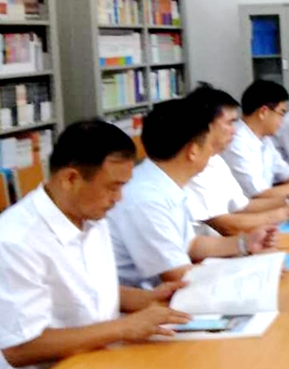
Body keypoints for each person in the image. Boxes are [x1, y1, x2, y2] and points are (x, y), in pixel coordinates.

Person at [0, 121, 190, 368]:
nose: (119, 198)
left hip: (101, 356)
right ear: (71, 179)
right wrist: (123, 327)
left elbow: (84, 290)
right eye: (113, 187)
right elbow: (19, 348)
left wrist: (149, 299)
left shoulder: (90, 214)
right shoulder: (15, 241)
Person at [108, 98, 277, 288]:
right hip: (148, 299)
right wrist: (257, 269)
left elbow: (191, 244)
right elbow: (179, 275)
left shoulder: (163, 182)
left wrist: (245, 243)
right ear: (193, 151)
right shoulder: (147, 198)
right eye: (209, 144)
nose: (213, 152)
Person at [184, 85, 289, 237]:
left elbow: (242, 206)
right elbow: (225, 226)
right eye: (229, 123)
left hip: (231, 241)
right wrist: (286, 213)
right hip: (216, 246)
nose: (234, 130)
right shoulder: (192, 165)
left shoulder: (216, 160)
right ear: (206, 126)